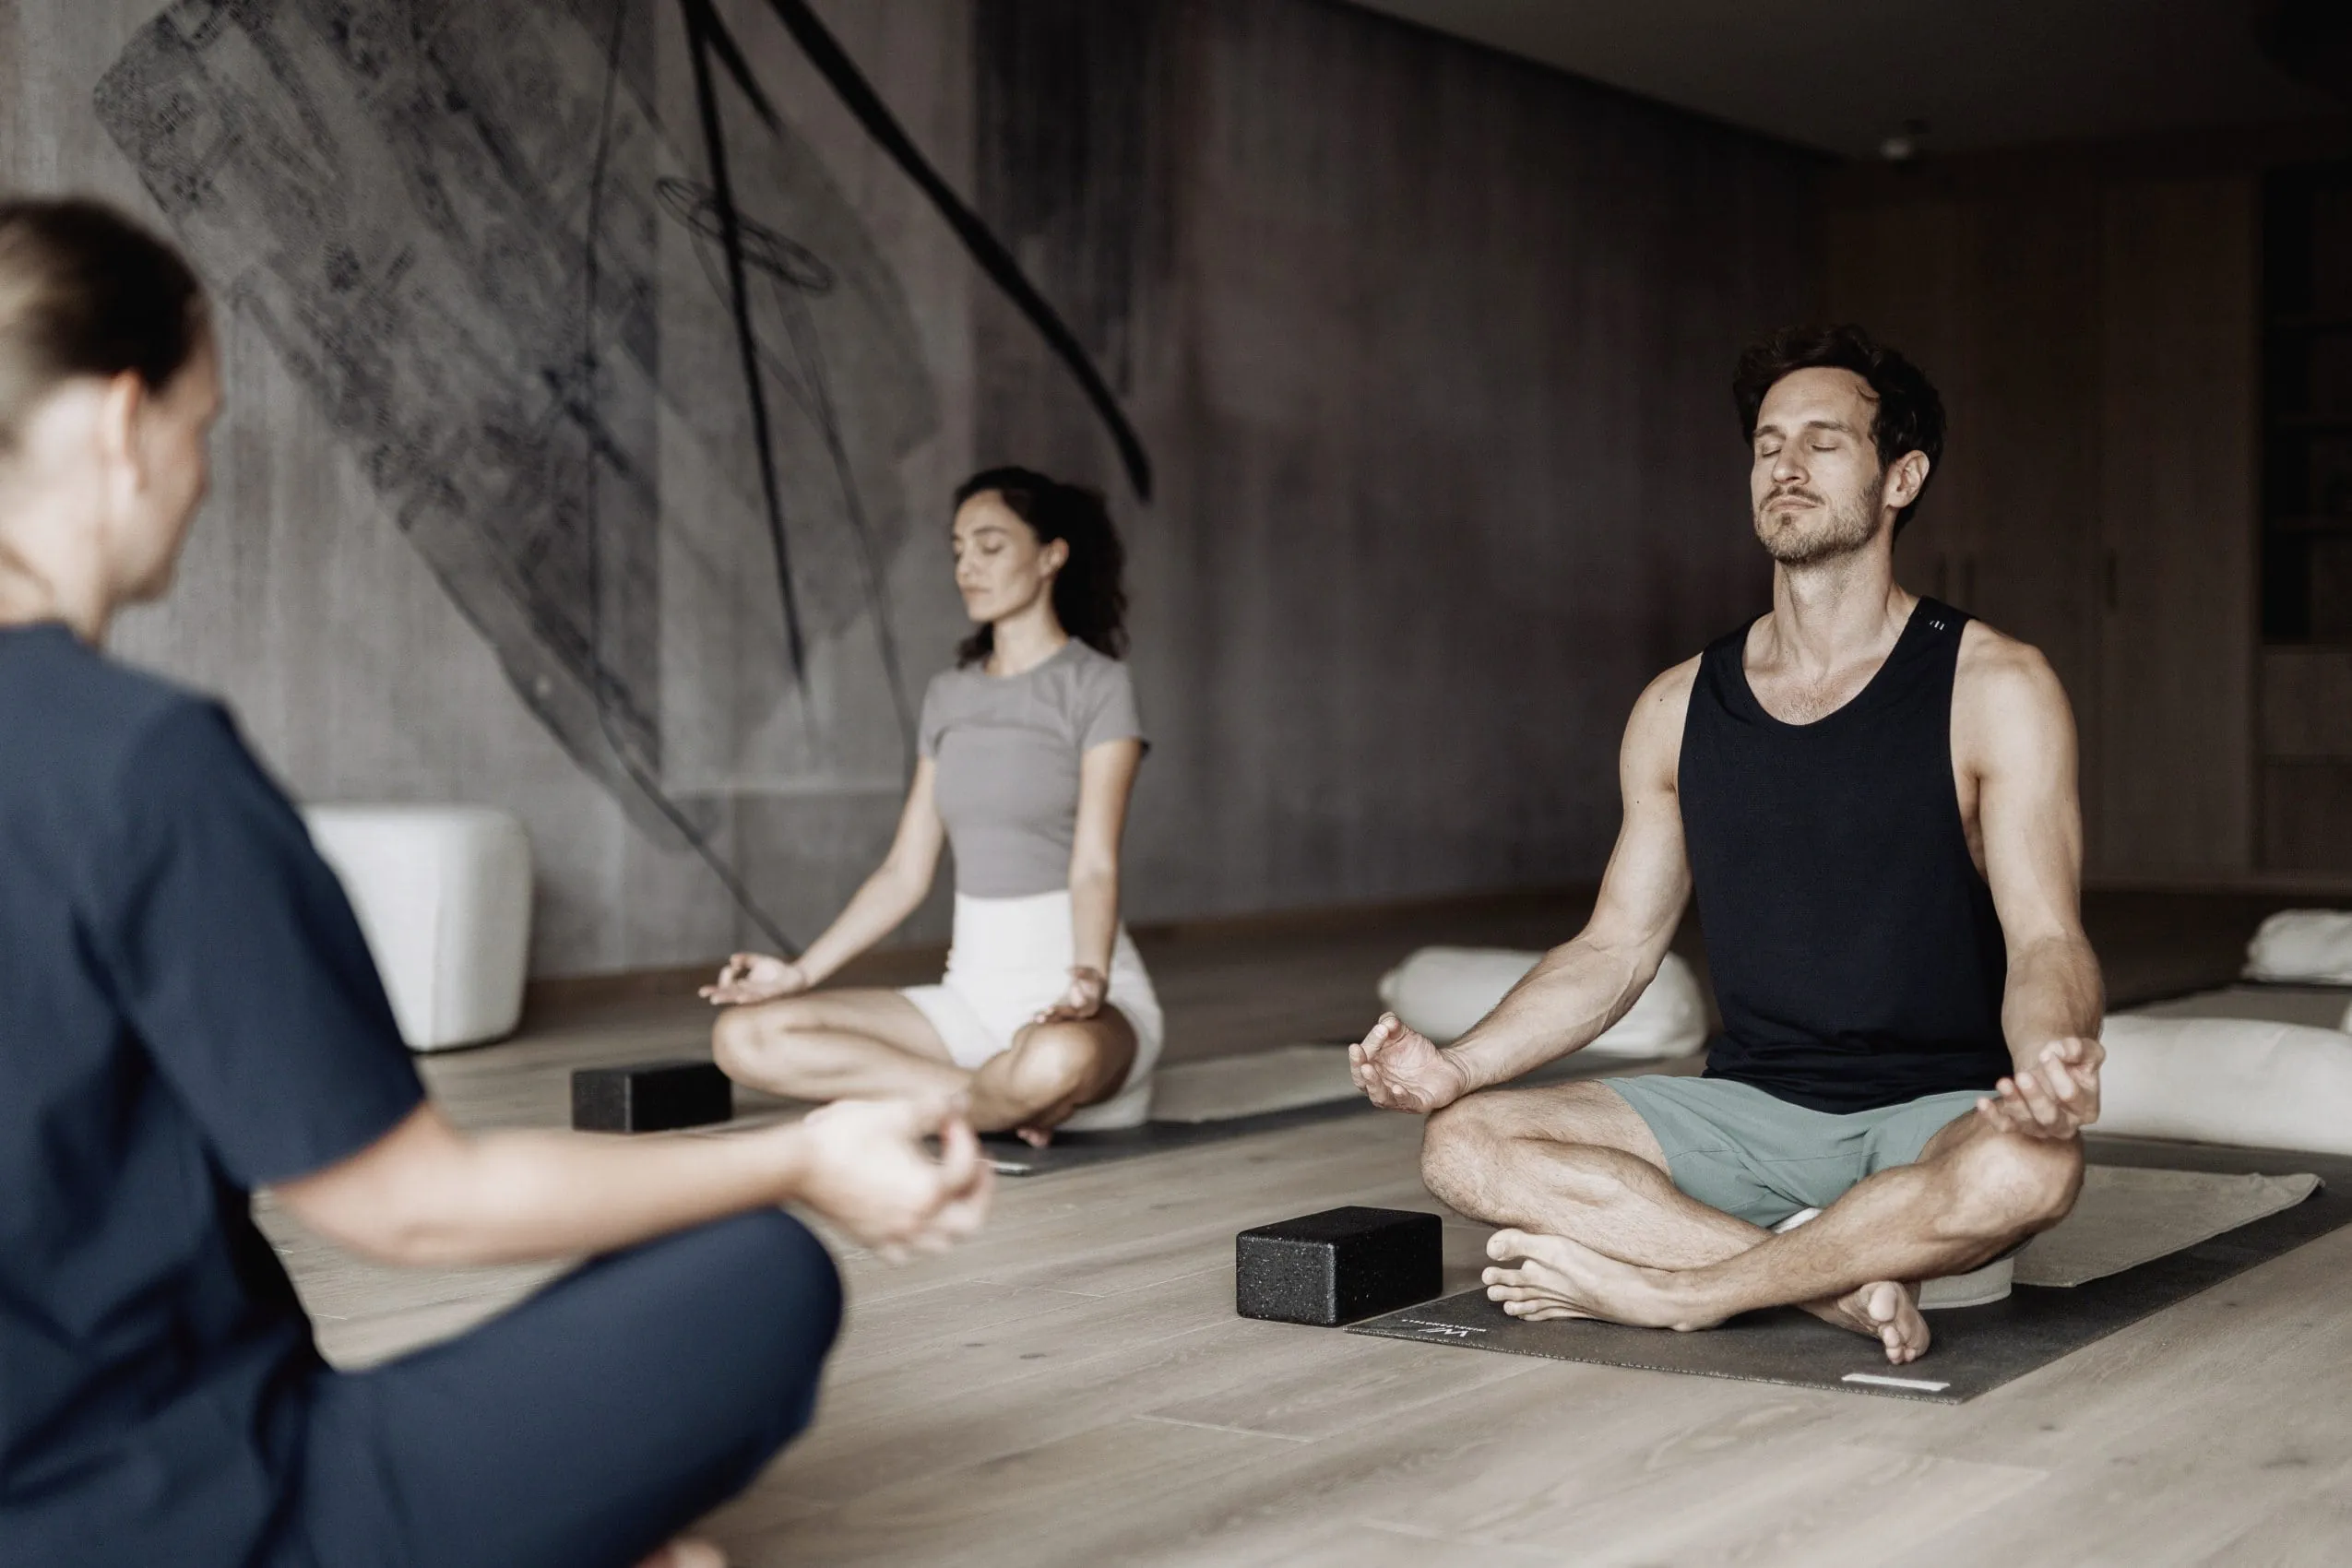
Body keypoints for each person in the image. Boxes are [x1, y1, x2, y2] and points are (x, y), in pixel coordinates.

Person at [0, 196, 992, 1568]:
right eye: (202, 428)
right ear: (122, 426)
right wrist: (805, 1157)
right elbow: (408, 1206)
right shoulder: (143, 769)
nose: (202, 475)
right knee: (757, 1281)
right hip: (189, 1512)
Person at [1352, 323, 2103, 1366]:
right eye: (1766, 443)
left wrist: (2048, 1062)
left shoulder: (1997, 686)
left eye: (1824, 441)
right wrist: (1457, 1066)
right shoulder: (1676, 705)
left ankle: (1687, 1293)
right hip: (1744, 1110)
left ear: (1902, 477)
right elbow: (1615, 947)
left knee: (2032, 1171)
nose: (1785, 465)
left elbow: (2046, 940)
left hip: (1933, 1108)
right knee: (1467, 1144)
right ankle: (1828, 1288)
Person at [705, 469, 1160, 1146]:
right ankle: (989, 1102)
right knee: (744, 1037)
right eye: (957, 550)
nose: (967, 567)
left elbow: (1094, 863)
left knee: (1059, 1057)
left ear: (1050, 556)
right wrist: (796, 973)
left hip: (1078, 996)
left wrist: (1089, 979)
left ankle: (941, 1102)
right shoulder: (950, 697)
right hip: (969, 1002)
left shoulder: (1098, 687)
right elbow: (903, 873)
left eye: (989, 546)